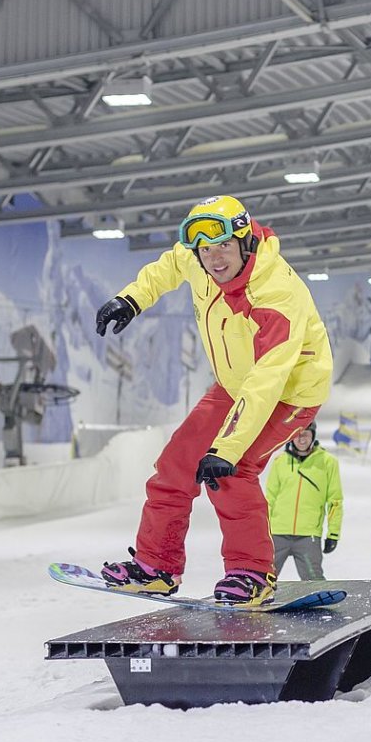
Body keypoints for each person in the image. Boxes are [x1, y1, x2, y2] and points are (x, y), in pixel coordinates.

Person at [93, 195, 332, 606]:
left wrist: (227, 446)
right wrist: (132, 298)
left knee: (232, 471)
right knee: (176, 465)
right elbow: (168, 266)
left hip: (289, 390)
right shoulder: (199, 262)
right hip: (235, 383)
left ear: (244, 240)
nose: (214, 258)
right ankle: (157, 567)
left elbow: (268, 378)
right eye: (205, 249)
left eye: (222, 246)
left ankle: (252, 573)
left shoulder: (275, 293)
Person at [264, 422, 343, 581]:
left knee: (313, 580)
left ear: (313, 436)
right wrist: (262, 530)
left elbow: (335, 501)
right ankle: (258, 600)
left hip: (308, 535)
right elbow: (269, 499)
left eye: (306, 434)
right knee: (264, 576)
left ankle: (318, 603)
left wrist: (333, 534)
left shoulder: (327, 462)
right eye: (297, 434)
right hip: (278, 532)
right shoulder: (280, 461)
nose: (301, 439)